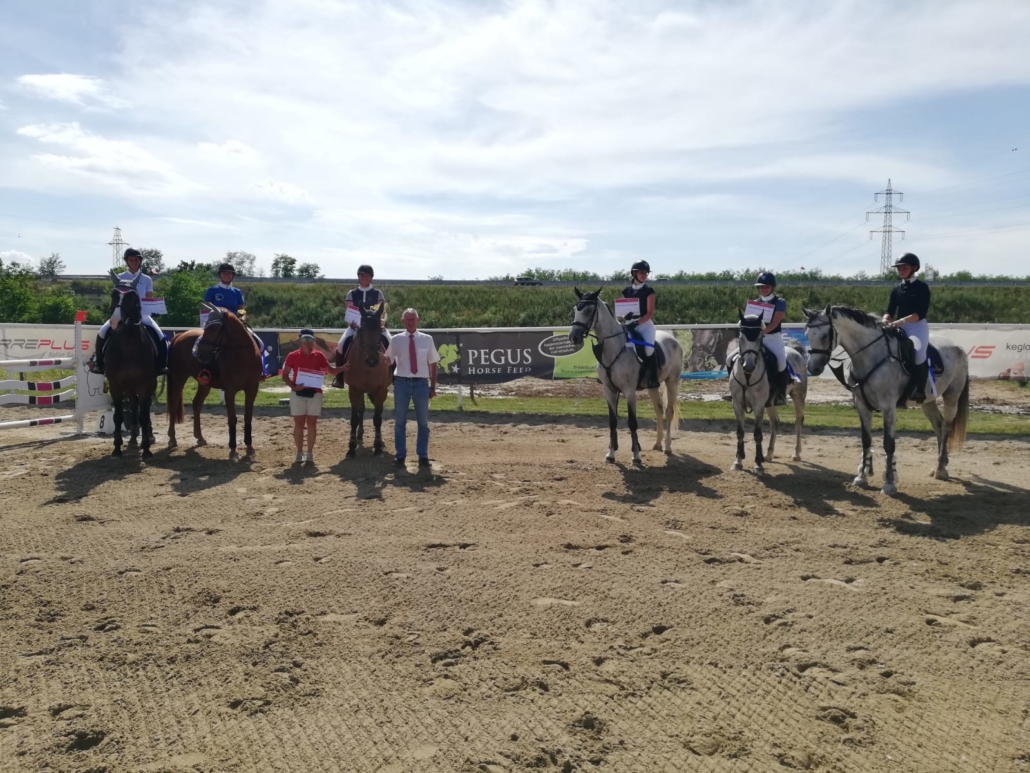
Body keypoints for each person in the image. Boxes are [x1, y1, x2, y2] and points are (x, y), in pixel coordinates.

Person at [89, 247, 167, 375]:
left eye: (136, 259)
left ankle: (161, 365)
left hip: (142, 313)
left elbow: (148, 298)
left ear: (140, 261)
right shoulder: (119, 277)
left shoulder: (147, 279)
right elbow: (117, 297)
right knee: (102, 332)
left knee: (159, 335)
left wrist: (155, 308)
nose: (134, 262)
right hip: (122, 313)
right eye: (131, 260)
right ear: (127, 261)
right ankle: (99, 364)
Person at [198, 262, 271, 384]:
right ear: (220, 275)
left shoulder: (237, 292)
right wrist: (220, 310)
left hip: (233, 324)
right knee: (202, 345)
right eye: (224, 273)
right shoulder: (212, 290)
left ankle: (261, 371)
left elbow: (240, 308)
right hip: (216, 322)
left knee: (260, 343)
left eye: (229, 274)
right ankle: (205, 372)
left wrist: (242, 318)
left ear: (232, 276)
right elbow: (206, 306)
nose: (226, 276)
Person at [281, 329, 346, 465]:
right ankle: (299, 452)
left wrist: (343, 368)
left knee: (312, 424)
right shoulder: (292, 356)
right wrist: (293, 386)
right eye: (304, 339)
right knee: (298, 424)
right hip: (298, 393)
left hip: (315, 393)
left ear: (313, 341)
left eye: (309, 339)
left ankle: (309, 453)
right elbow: (285, 375)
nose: (307, 342)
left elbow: (331, 371)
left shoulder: (319, 356)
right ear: (300, 340)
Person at [384, 308, 439, 468]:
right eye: (407, 319)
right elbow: (389, 360)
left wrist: (433, 386)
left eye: (412, 319)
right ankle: (400, 456)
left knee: (423, 422)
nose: (410, 322)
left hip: (421, 383)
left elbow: (433, 363)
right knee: (400, 422)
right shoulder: (395, 340)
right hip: (401, 382)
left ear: (418, 320)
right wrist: (383, 360)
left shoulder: (427, 339)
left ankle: (423, 456)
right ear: (403, 321)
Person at [883, 252, 931, 403]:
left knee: (918, 354)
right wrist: (885, 319)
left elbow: (920, 313)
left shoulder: (922, 288)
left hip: (917, 327)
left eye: (904, 268)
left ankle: (920, 390)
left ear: (914, 268)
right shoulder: (896, 289)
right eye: (899, 269)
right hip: (899, 327)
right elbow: (890, 310)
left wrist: (900, 321)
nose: (901, 271)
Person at [333, 264, 392, 387]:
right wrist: (351, 323)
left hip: (374, 327)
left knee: (391, 342)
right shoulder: (352, 293)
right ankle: (339, 377)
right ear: (358, 277)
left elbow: (382, 310)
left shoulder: (377, 293)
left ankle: (395, 375)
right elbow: (349, 310)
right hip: (356, 327)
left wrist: (382, 321)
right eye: (362, 275)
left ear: (371, 278)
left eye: (367, 276)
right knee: (340, 345)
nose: (365, 278)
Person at [752, 271, 791, 405]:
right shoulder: (755, 303)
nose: (764, 289)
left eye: (766, 286)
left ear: (772, 287)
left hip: (773, 338)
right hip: (756, 340)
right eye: (761, 287)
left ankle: (780, 393)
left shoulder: (779, 302)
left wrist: (762, 332)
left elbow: (776, 321)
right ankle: (735, 391)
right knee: (731, 359)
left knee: (781, 362)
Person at [622, 260, 660, 389]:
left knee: (648, 350)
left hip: (644, 325)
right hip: (628, 324)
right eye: (641, 272)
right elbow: (622, 311)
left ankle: (653, 377)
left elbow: (649, 313)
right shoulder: (626, 291)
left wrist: (637, 322)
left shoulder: (649, 291)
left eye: (646, 273)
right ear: (634, 273)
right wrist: (624, 317)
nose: (644, 275)